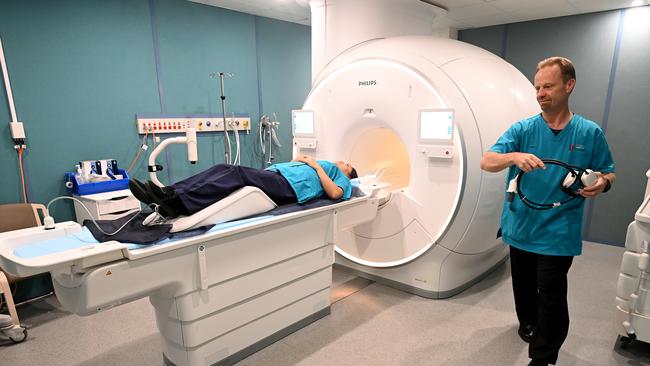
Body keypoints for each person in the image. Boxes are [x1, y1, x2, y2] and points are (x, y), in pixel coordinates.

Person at [480, 57, 615, 366]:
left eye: (548, 86)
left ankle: (543, 357)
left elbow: (609, 172)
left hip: (559, 229)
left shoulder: (589, 133)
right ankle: (527, 322)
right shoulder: (523, 129)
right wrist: (514, 156)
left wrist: (603, 183)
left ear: (569, 85)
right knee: (524, 289)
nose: (540, 93)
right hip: (521, 223)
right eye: (538, 87)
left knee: (551, 296)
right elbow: (486, 161)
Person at [129, 155, 358, 219]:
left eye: (347, 164)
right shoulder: (325, 164)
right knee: (224, 168)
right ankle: (169, 194)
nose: (342, 161)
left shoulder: (340, 177)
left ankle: (176, 202)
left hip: (289, 187)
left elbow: (336, 194)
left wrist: (316, 166)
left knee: (237, 173)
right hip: (278, 176)